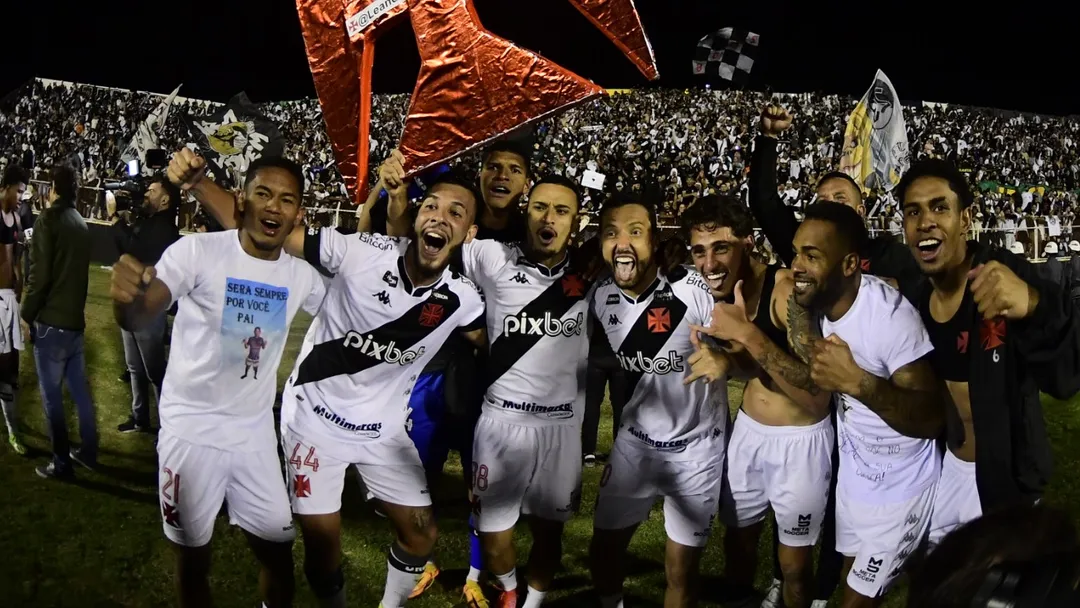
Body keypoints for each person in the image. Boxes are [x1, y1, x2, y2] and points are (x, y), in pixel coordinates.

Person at [168, 148, 486, 608]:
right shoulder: (360, 251)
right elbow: (266, 232)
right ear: (417, 218)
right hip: (314, 422)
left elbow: (492, 343)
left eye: (456, 212)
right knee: (322, 550)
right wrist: (200, 184)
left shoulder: (463, 300)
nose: (441, 216)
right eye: (432, 205)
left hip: (384, 433)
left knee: (422, 536)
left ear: (468, 233)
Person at [700, 202, 943, 606]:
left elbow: (930, 418)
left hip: (900, 488)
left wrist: (861, 384)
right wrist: (736, 349)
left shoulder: (889, 318)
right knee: (851, 581)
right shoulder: (816, 306)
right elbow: (801, 375)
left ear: (849, 264)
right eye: (796, 252)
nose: (797, 265)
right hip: (856, 481)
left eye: (811, 256)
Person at [113, 156, 326, 608]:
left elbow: (353, 313)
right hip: (190, 433)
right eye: (264, 193)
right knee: (193, 560)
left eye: (287, 199)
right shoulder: (197, 253)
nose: (274, 206)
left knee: (278, 552)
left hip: (253, 438)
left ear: (298, 213)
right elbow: (144, 309)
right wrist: (127, 303)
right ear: (241, 201)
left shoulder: (302, 277)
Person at [747, 104, 926, 606]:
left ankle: (835, 585)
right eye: (821, 198)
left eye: (841, 199)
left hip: (892, 429)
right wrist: (767, 140)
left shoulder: (893, 260)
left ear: (863, 211)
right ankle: (801, 581)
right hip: (833, 413)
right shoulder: (806, 250)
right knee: (823, 507)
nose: (828, 205)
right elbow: (764, 200)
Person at [390, 173, 590, 608]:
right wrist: (399, 197)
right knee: (494, 535)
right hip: (501, 422)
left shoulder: (591, 276)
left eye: (561, 210)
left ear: (576, 221)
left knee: (548, 533)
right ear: (526, 212)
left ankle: (527, 604)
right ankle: (510, 586)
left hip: (560, 428)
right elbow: (430, 238)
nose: (549, 218)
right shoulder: (493, 257)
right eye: (540, 207)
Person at [378, 142, 534, 605]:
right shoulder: (453, 218)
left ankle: (474, 571)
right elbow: (395, 237)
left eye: (514, 170)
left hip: (495, 385)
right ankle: (422, 559)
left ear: (526, 182)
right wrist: (390, 195)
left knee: (479, 484)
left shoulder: (532, 236)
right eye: (493, 167)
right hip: (432, 372)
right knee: (416, 475)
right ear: (481, 174)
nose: (502, 176)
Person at [897, 159, 1080, 549]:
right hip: (946, 471)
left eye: (939, 207)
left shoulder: (1003, 275)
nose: (926, 221)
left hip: (1005, 484)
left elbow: (1066, 377)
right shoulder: (915, 298)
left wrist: (1035, 305)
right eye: (914, 212)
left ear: (966, 218)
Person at [680, 195, 833, 608]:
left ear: (748, 243)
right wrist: (729, 361)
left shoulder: (785, 293)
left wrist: (745, 340)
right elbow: (759, 368)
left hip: (802, 442)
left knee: (796, 567)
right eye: (699, 251)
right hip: (748, 434)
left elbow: (818, 394)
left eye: (721, 248)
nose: (709, 264)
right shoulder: (723, 289)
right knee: (738, 545)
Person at [588, 192, 727, 608]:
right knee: (604, 550)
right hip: (636, 442)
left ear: (655, 239)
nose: (623, 243)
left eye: (635, 231)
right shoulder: (598, 295)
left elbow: (745, 322)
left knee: (680, 573)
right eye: (612, 233)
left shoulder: (693, 287)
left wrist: (727, 358)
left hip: (697, 448)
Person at [22, 161, 96, 479]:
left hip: (52, 322)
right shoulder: (80, 221)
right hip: (75, 323)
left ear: (51, 188)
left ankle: (62, 463)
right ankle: (89, 451)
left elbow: (40, 276)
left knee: (52, 398)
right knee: (79, 392)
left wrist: (26, 314)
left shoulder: (48, 219)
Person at [113, 176, 182, 433]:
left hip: (148, 310)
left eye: (152, 191)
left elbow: (131, 250)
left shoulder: (164, 229)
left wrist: (115, 220)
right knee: (134, 368)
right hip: (134, 305)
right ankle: (139, 416)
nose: (146, 195)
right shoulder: (151, 223)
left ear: (165, 199)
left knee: (155, 372)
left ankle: (168, 426)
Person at [0, 164, 29, 454]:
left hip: (10, 299)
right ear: (6, 187)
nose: (21, 196)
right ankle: (13, 431)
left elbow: (16, 259)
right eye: (18, 191)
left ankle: (12, 427)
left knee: (12, 368)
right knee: (5, 367)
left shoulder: (16, 217)